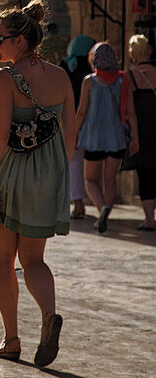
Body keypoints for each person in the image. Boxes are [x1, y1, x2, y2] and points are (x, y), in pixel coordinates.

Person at [0, 0, 75, 367]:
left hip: (9, 174)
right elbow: (70, 135)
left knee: (3, 259)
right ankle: (49, 316)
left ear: (20, 41)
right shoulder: (61, 76)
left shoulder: (3, 78)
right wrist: (55, 174)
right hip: (48, 176)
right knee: (34, 259)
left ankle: (11, 339)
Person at [74, 41, 138, 234]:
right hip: (116, 137)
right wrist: (135, 137)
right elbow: (131, 112)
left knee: (90, 179)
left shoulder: (89, 81)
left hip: (93, 137)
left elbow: (82, 111)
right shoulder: (123, 80)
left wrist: (74, 133)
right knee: (110, 179)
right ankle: (106, 216)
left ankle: (101, 208)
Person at [60, 34, 95, 219]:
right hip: (95, 124)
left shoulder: (65, 67)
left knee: (74, 163)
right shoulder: (92, 68)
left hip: (70, 121)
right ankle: (101, 202)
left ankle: (78, 203)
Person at [125, 34, 156, 231]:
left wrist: (134, 138)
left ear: (133, 54)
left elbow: (130, 112)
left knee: (145, 173)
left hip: (143, 130)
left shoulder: (130, 76)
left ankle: (149, 219)